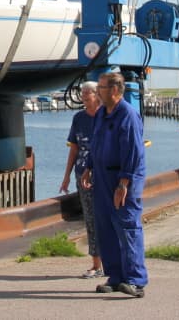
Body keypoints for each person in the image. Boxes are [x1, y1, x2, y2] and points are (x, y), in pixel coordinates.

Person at [81, 70, 148, 298]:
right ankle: (116, 276)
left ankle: (136, 280)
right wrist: (89, 167)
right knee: (106, 229)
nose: (97, 92)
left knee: (128, 228)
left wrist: (124, 183)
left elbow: (133, 152)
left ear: (115, 90)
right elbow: (95, 142)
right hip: (101, 177)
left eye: (101, 88)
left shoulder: (127, 115)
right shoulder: (102, 114)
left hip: (121, 180)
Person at [59, 80, 102, 278]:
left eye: (88, 94)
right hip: (82, 174)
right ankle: (96, 264)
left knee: (107, 218)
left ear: (97, 95)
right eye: (83, 94)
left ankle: (113, 261)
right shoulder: (78, 118)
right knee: (91, 218)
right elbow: (74, 148)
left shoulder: (106, 116)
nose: (84, 97)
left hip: (104, 174)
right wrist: (66, 176)